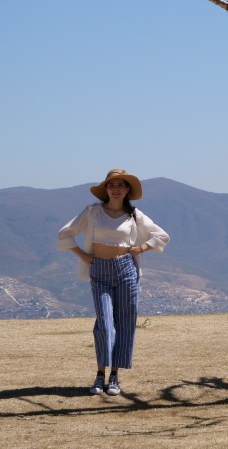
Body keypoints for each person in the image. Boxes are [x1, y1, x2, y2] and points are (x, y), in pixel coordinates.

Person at [57, 167, 170, 396]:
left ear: (127, 190)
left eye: (120, 185)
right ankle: (100, 374)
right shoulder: (92, 212)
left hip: (126, 269)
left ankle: (114, 376)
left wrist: (142, 247)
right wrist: (83, 255)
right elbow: (65, 233)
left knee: (125, 322)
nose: (116, 189)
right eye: (111, 185)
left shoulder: (134, 215)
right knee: (105, 323)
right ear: (106, 189)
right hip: (99, 269)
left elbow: (161, 235)